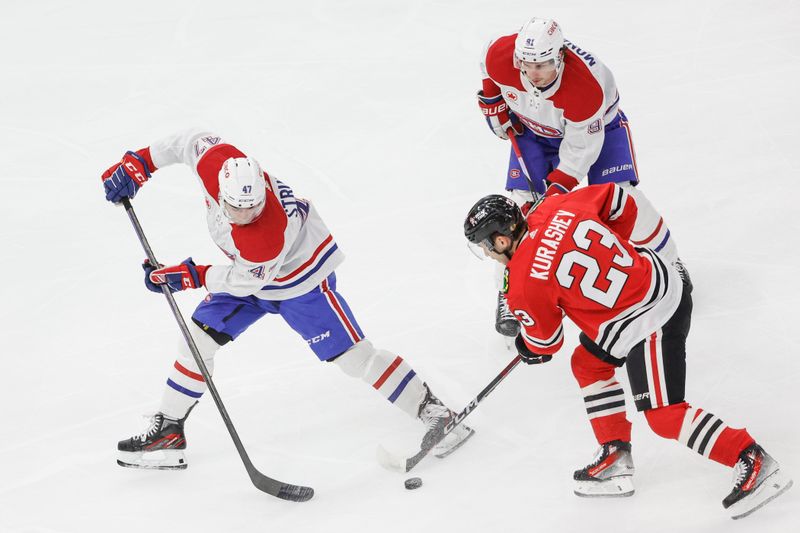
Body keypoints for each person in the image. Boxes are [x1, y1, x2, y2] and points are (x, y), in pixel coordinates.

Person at [101, 128, 473, 470]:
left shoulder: (265, 237)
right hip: (245, 275)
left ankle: (436, 413)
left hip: (300, 281)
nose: (245, 216)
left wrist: (190, 275)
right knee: (195, 342)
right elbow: (187, 142)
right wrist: (141, 163)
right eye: (236, 209)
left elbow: (243, 280)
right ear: (221, 191)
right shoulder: (219, 162)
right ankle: (168, 431)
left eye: (253, 208)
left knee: (354, 359)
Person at [462, 187, 791, 519]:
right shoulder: (554, 206)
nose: (488, 254)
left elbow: (547, 343)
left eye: (485, 246)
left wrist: (526, 345)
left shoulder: (522, 282)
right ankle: (615, 453)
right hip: (654, 279)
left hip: (651, 318)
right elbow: (620, 200)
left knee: (663, 415)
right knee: (587, 364)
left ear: (501, 240)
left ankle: (751, 457)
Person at [477, 17, 682, 338]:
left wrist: (557, 190)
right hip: (532, 131)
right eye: (525, 64)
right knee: (514, 215)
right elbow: (489, 65)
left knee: (622, 199)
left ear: (559, 57)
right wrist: (493, 102)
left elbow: (581, 151)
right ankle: (508, 293)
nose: (532, 74)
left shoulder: (588, 86)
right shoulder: (503, 56)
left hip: (596, 132)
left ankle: (673, 265)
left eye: (542, 65)